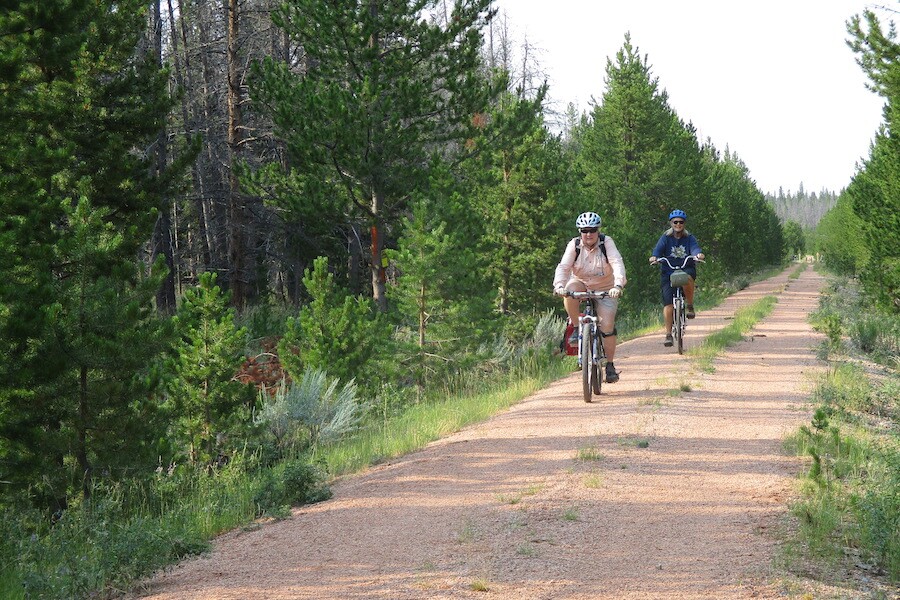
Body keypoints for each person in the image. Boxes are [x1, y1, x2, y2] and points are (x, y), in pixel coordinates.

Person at [553, 211, 627, 383]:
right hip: (581, 283)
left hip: (606, 288)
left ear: (598, 231)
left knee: (607, 325)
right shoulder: (575, 245)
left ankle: (609, 365)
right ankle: (578, 327)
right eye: (585, 230)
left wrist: (618, 285)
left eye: (592, 230)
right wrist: (559, 285)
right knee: (570, 291)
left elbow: (617, 263)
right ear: (580, 232)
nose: (589, 234)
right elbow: (564, 267)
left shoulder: (606, 242)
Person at [649, 209, 705, 347]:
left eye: (681, 222)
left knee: (687, 278)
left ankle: (690, 305)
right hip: (668, 271)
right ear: (671, 223)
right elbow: (657, 250)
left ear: (684, 224)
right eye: (675, 222)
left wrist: (698, 254)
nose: (678, 224)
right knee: (668, 304)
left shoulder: (689, 238)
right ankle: (668, 334)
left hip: (686, 268)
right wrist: (655, 257)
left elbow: (695, 248)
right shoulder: (665, 238)